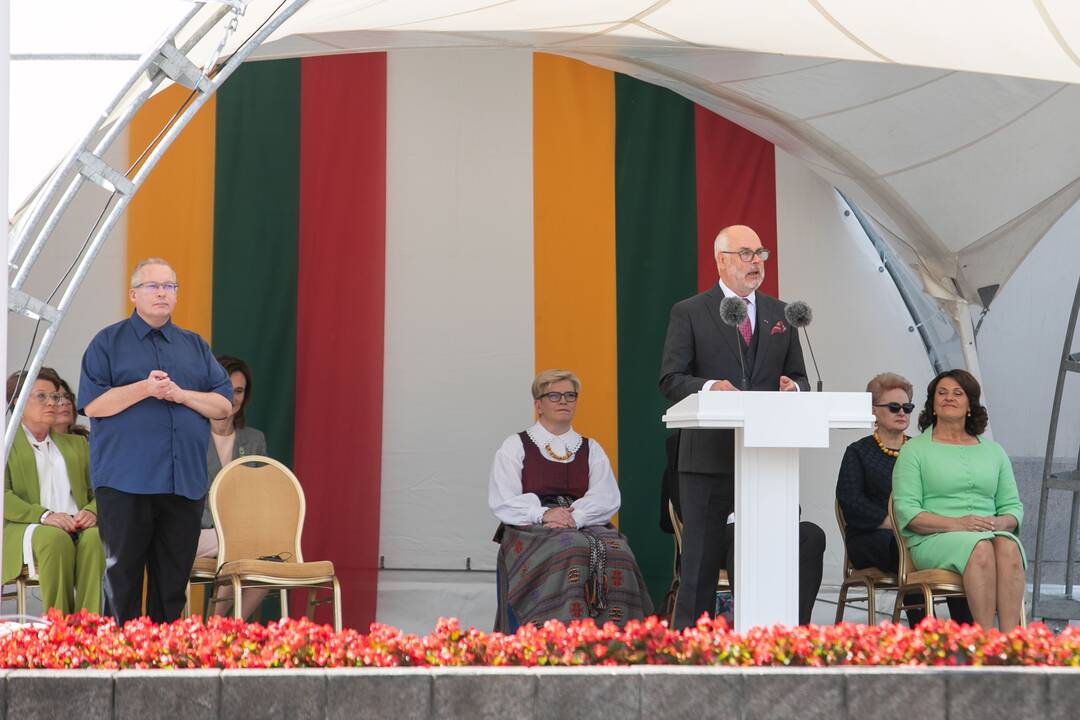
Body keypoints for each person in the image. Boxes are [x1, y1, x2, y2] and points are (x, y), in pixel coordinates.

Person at [659, 224, 809, 629]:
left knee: (771, 558)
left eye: (761, 253)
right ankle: (687, 653)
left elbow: (800, 377)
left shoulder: (781, 314)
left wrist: (792, 387)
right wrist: (710, 388)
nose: (756, 261)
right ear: (720, 260)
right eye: (746, 253)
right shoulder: (690, 311)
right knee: (699, 567)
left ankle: (770, 645)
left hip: (766, 459)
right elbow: (671, 379)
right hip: (707, 460)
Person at [78, 257, 232, 625]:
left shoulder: (194, 345)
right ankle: (119, 667)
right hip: (126, 480)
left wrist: (181, 395)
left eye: (170, 286)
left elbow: (223, 405)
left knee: (172, 584)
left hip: (183, 483)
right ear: (133, 294)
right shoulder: (108, 342)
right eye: (153, 285)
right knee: (123, 581)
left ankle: (163, 667)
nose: (163, 292)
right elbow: (94, 404)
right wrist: (145, 388)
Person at [489, 369, 653, 630]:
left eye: (569, 395)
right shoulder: (516, 445)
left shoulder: (590, 448)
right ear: (538, 405)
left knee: (620, 553)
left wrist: (575, 518)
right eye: (554, 395)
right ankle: (558, 636)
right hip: (530, 527)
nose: (563, 401)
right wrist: (543, 514)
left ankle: (619, 638)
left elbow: (606, 496)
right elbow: (503, 499)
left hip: (583, 521)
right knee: (571, 549)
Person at [893, 369, 1026, 630]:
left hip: (989, 535)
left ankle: (1012, 643)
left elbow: (1013, 509)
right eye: (941, 393)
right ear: (932, 403)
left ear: (970, 405)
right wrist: (960, 524)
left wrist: (999, 524)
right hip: (933, 539)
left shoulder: (993, 451)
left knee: (1009, 546)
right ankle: (984, 643)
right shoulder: (914, 450)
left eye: (958, 393)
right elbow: (907, 512)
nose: (948, 398)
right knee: (980, 548)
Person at [836, 372, 972, 626]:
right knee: (908, 547)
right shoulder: (858, 452)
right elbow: (851, 501)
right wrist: (893, 522)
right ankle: (922, 633)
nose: (902, 413)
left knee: (958, 550)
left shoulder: (921, 450)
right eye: (894, 407)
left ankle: (969, 635)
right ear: (873, 411)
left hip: (918, 532)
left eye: (907, 407)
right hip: (873, 537)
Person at [4, 369, 104, 614]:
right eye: (41, 396)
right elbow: (3, 497)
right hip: (27, 526)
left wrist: (91, 511)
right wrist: (45, 516)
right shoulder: (5, 443)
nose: (52, 403)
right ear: (18, 400)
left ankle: (86, 627)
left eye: (55, 397)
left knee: (96, 537)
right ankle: (58, 629)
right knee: (54, 538)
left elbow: (100, 488)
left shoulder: (77, 444)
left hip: (75, 523)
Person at [195, 354, 268, 618]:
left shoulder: (255, 439)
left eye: (239, 391)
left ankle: (223, 630)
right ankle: (216, 627)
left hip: (237, 536)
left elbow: (258, 497)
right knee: (240, 545)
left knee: (267, 561)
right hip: (195, 531)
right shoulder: (190, 435)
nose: (232, 397)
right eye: (225, 389)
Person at [49, 374, 89, 438]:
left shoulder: (86, 441)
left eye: (67, 397)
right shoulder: (31, 444)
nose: (65, 402)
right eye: (55, 397)